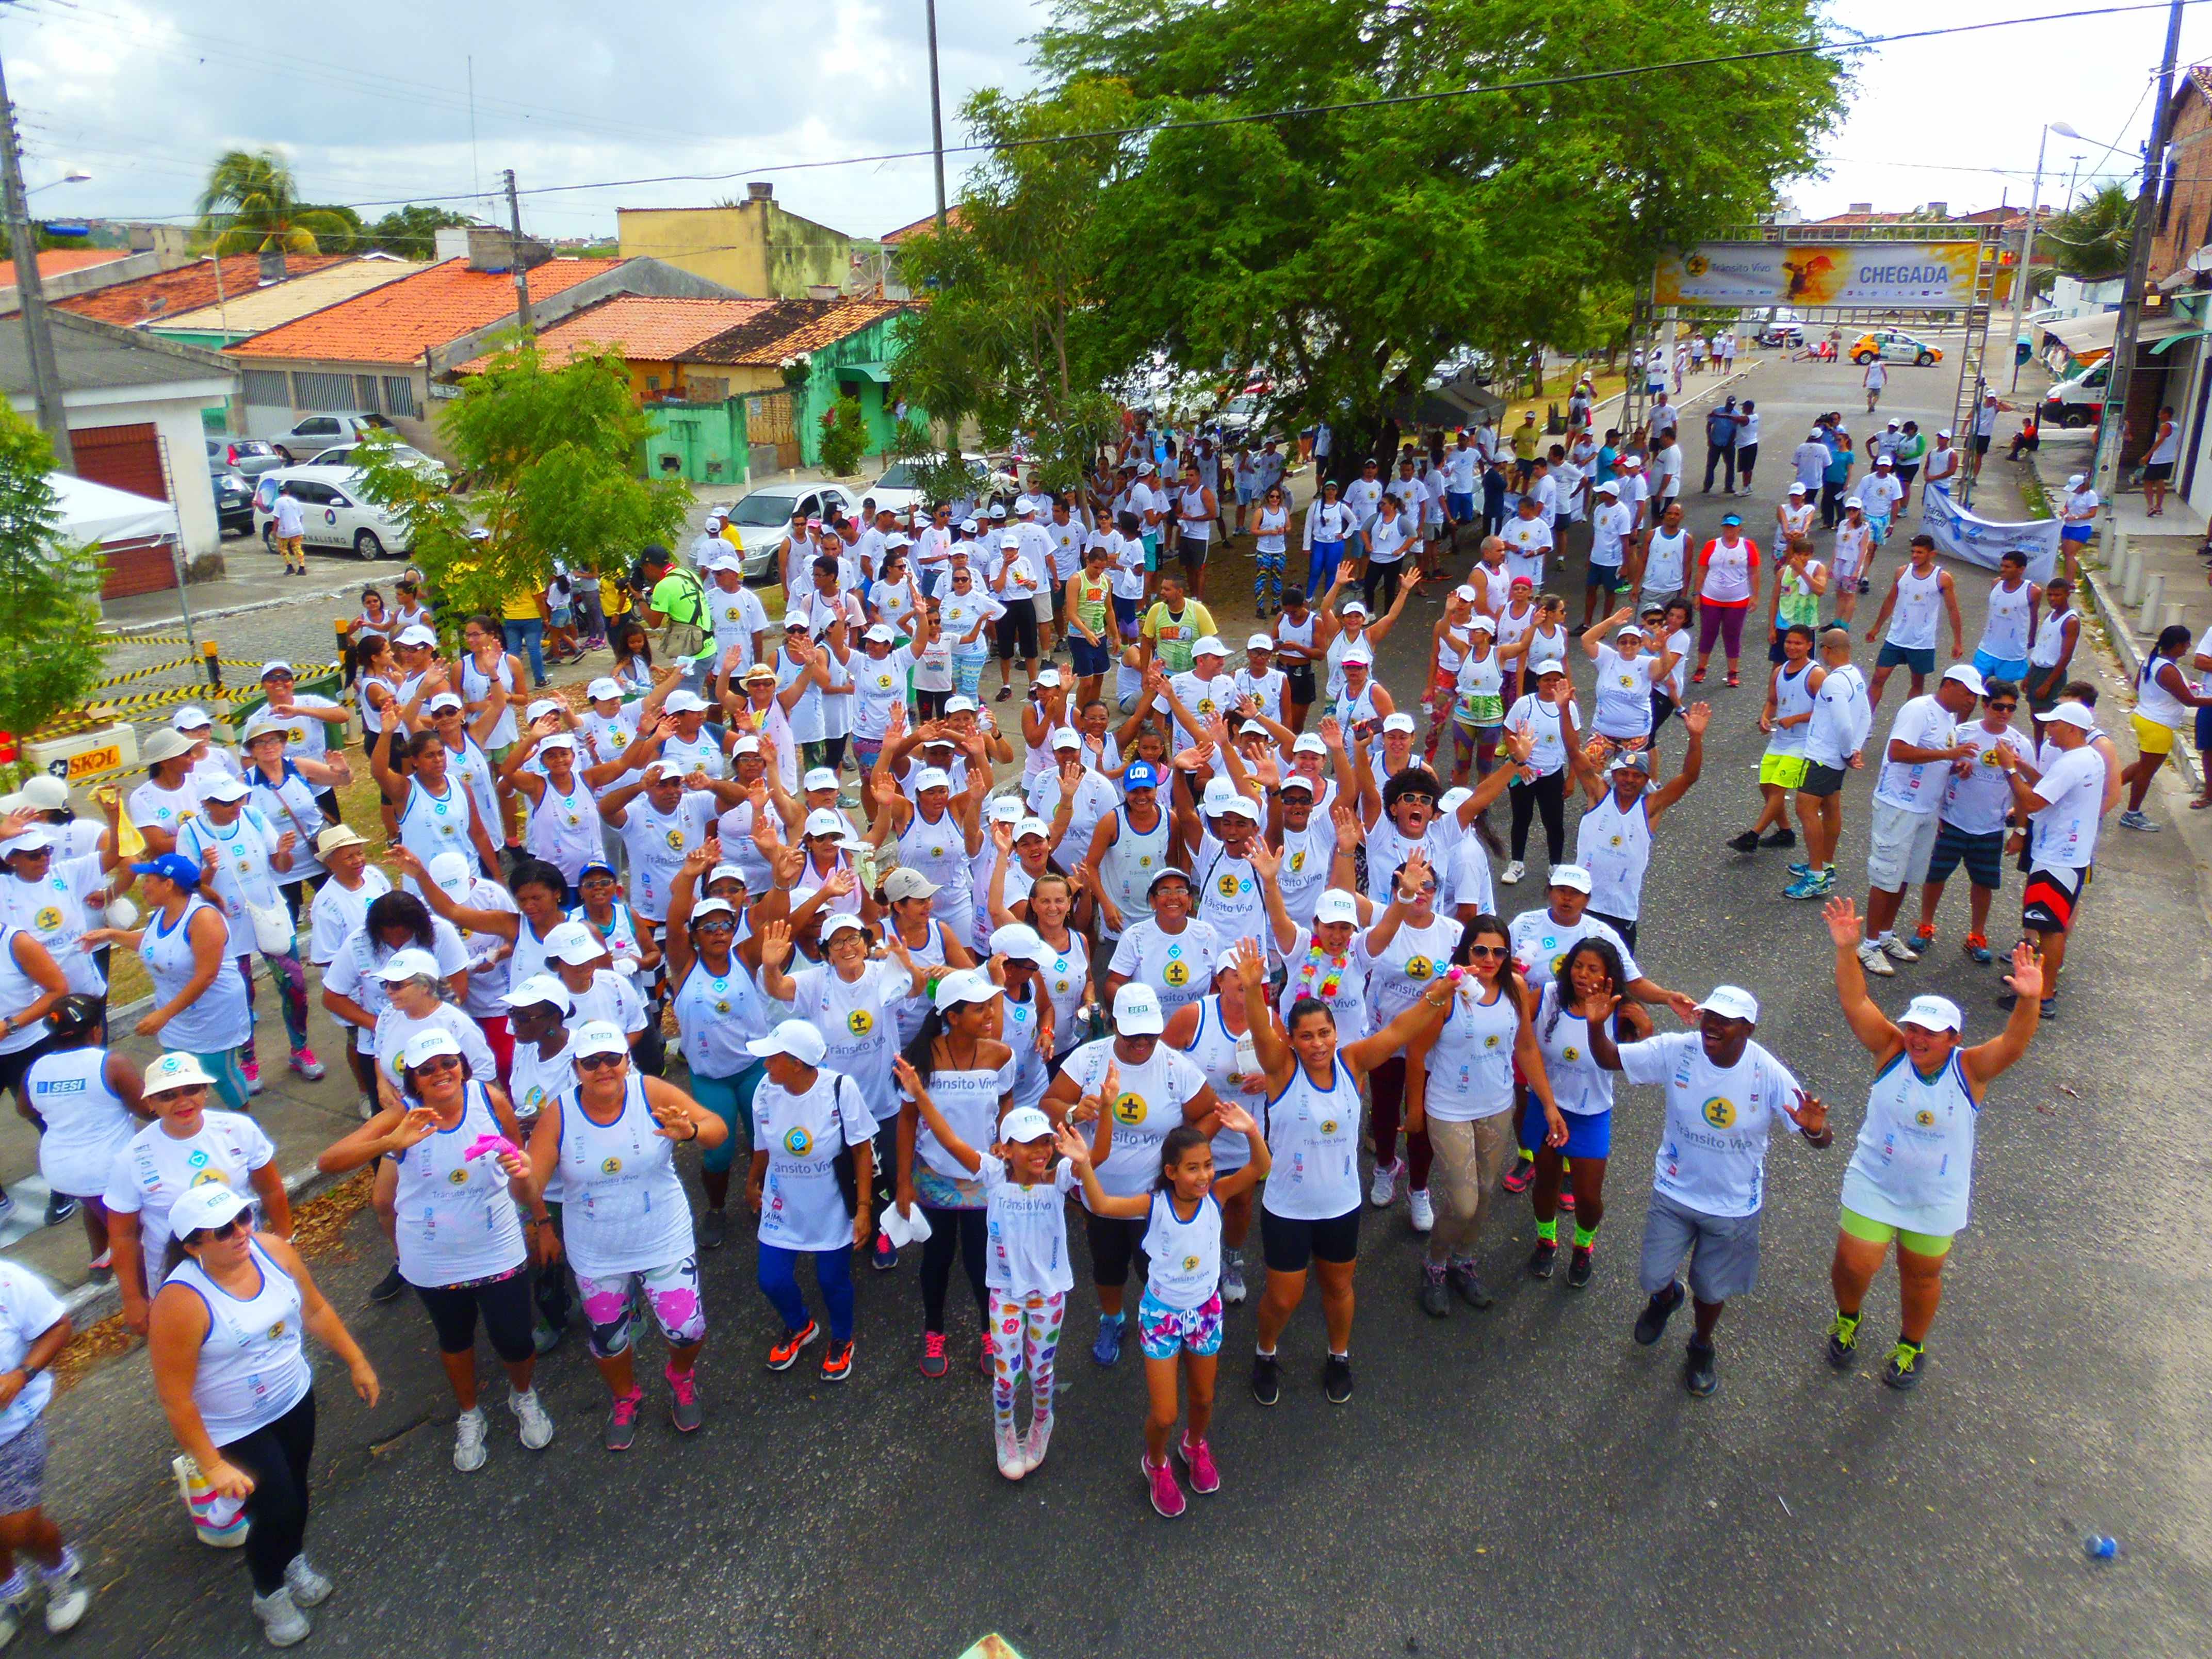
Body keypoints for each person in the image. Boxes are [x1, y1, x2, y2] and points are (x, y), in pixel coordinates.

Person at [1820, 899, 2042, 1388]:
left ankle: (1910, 1345)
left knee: (1920, 1275)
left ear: (1954, 1038)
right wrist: (1846, 951)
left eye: (1931, 1033)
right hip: (1876, 1180)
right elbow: (1857, 1003)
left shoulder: (1970, 1069)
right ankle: (1848, 1318)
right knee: (1854, 1264)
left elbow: (2014, 1045)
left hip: (1935, 1195)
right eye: (1913, 1028)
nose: (1917, 1038)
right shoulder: (1890, 1050)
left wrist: (2029, 1000)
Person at [315, 1028, 555, 1471]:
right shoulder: (404, 1115)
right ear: (414, 1080)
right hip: (433, 1258)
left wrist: (540, 1219)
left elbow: (521, 1169)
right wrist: (392, 1144)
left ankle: (523, 1396)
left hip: (497, 1246)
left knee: (515, 1337)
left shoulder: (490, 1100)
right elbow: (328, 1162)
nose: (441, 1073)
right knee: (455, 1339)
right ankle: (470, 1414)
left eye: (448, 1063)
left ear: (462, 1065)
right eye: (427, 1070)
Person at [148, 1182, 377, 1647]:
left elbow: (315, 1309)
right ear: (193, 1246)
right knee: (276, 1508)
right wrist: (213, 1465)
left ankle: (291, 1557)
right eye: (223, 1230)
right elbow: (176, 1398)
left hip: (293, 1398)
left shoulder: (273, 1251)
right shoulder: (181, 1302)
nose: (240, 1232)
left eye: (244, 1217)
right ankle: (269, 1592)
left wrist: (356, 1360)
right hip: (237, 1427)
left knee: (296, 1489)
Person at [1583, 985, 1830, 1396]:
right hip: (1674, 1190)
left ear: (1748, 1029)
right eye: (1709, 1016)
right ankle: (1666, 1299)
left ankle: (1701, 1345)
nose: (1712, 1026)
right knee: (1652, 1276)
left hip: (1733, 1205)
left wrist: (1815, 1129)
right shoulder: (1678, 1051)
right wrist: (1595, 1027)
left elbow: (1820, 1138)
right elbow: (1610, 1058)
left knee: (1712, 1290)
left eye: (1725, 1021)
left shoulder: (1768, 1073)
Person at [520, 1020, 727, 1450]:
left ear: (627, 1060)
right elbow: (532, 1185)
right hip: (598, 1251)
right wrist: (519, 1178)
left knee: (687, 1329)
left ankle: (680, 1377)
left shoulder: (651, 1092)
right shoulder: (560, 1113)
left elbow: (717, 1130)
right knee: (610, 1340)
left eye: (612, 1058)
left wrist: (690, 1131)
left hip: (662, 1237)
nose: (603, 1069)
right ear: (576, 1068)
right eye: (591, 1061)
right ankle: (625, 1396)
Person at [1062, 1096, 1268, 1518]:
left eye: (1208, 1165)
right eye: (1193, 1168)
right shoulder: (1153, 1204)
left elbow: (1260, 1167)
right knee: (1164, 1414)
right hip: (1162, 1316)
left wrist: (1251, 1130)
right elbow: (1102, 1206)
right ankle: (1156, 1464)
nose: (1204, 1175)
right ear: (1171, 1172)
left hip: (1206, 1312)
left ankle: (1194, 1445)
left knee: (1204, 1399)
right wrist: (1084, 1164)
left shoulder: (1219, 1195)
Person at [1403, 914, 1558, 1312]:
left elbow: (1526, 1047)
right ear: (1465, 951)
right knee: (1463, 1203)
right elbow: (1416, 1052)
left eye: (1499, 951)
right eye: (1481, 950)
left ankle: (1463, 1261)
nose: (1490, 959)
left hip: (1496, 1105)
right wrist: (1415, 1110)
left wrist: (1548, 1104)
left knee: (1485, 1192)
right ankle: (1435, 1264)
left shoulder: (1516, 987)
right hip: (1449, 1108)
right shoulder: (1445, 993)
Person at [744, 1017, 873, 1385]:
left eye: (773, 1058)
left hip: (831, 1206)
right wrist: (752, 1182)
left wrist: (864, 1209)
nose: (766, 1065)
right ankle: (800, 1325)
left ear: (797, 1064)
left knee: (832, 1280)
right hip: (782, 1203)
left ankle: (842, 1339)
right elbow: (762, 1146)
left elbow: (861, 1150)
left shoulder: (839, 1089)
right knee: (771, 1279)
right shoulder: (764, 1091)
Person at [79, 854, 252, 1110]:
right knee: (178, 1078)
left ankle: (243, 1121)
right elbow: (153, 944)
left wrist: (164, 1015)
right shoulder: (162, 914)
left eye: (149, 880)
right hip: (176, 1018)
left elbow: (207, 975)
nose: (143, 886)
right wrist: (112, 935)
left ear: (169, 884)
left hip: (212, 1015)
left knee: (219, 1073)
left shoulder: (203, 919)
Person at [1856, 664, 1983, 978]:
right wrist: (1949, 755)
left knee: (1905, 876)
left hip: (1926, 808)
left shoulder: (1949, 718)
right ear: (1949, 685)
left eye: (1975, 697)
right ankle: (1869, 944)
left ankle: (1886, 935)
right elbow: (1897, 752)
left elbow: (1937, 758)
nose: (1971, 701)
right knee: (1886, 876)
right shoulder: (1918, 710)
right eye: (1968, 694)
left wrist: (1955, 767)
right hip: (1898, 805)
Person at [1993, 700, 2107, 1017]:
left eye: (2054, 724)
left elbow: (2032, 802)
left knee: (2049, 928)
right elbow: (2051, 785)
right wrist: (2024, 767)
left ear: (2071, 728)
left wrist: (2009, 768)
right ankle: (2043, 990)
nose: (2047, 729)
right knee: (2051, 925)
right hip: (2071, 855)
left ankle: (2043, 996)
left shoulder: (2072, 763)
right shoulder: (2087, 757)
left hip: (2057, 857)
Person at [1564, 708, 1709, 947]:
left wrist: (1695, 738)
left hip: (1621, 911)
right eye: (1624, 774)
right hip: (1583, 905)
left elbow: (1689, 777)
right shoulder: (1599, 795)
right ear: (1614, 775)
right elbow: (1573, 752)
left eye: (1636, 775)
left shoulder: (1651, 806)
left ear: (1646, 780)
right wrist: (1563, 710)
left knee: (1619, 969)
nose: (1629, 780)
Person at [0, 1249, 86, 1644]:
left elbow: (57, 1326)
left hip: (14, 1430)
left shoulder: (7, 1282)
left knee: (16, 1527)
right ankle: (10, 1589)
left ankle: (59, 1568)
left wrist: (21, 1375)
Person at [23, 995, 144, 1271]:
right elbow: (147, 1110)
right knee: (136, 1237)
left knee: (93, 1206)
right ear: (96, 1031)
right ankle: (135, 1277)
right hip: (107, 1171)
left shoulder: (35, 1069)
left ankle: (101, 1261)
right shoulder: (112, 1063)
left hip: (60, 1170)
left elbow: (26, 1110)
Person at [1911, 678, 2025, 963]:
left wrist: (2020, 831)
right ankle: (1925, 926)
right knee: (1935, 876)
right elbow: (1939, 770)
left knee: (1983, 884)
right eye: (1998, 706)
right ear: (1985, 705)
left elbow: (2025, 791)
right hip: (1952, 821)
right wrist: (1954, 772)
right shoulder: (1962, 733)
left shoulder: (2020, 744)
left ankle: (1977, 935)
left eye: (2011, 708)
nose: (2005, 713)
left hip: (1991, 828)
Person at [1786, 626, 1874, 901]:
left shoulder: (1833, 683)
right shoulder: (1855, 675)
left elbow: (1843, 723)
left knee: (1805, 809)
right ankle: (1825, 864)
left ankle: (1816, 877)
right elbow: (1866, 715)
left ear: (1826, 650)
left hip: (1823, 756)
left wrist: (1848, 752)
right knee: (1831, 805)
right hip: (1836, 758)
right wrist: (1855, 749)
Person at [1728, 624, 1821, 856]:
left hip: (1803, 742)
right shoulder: (1779, 672)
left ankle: (1753, 835)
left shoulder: (1816, 674)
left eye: (1798, 643)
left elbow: (1827, 711)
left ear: (1809, 646)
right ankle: (1785, 832)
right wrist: (1764, 718)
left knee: (1778, 787)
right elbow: (1772, 701)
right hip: (1780, 739)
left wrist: (1795, 719)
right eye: (1789, 642)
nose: (1792, 647)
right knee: (1766, 786)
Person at [2118, 625, 2207, 832]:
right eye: (2186, 644)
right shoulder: (2169, 670)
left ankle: (2105, 789)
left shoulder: (2152, 661)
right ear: (2176, 645)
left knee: (2143, 766)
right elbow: (2189, 701)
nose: (2188, 647)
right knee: (2146, 772)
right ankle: (2132, 813)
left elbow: (2139, 685)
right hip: (2158, 726)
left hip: (2143, 718)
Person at [1865, 535, 1964, 710]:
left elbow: (1953, 610)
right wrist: (1876, 627)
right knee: (1878, 678)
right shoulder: (1901, 573)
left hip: (1922, 642)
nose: (1915, 556)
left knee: (1917, 683)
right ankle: (1866, 719)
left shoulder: (1942, 578)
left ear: (1932, 554)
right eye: (1913, 552)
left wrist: (1958, 642)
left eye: (1920, 552)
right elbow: (1890, 601)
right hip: (1896, 637)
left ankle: (1910, 719)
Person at [1689, 515, 1761, 688]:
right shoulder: (1711, 546)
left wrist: (1755, 595)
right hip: (1711, 598)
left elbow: (1754, 572)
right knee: (1708, 633)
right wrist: (1697, 594)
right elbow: (1702, 570)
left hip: (1737, 600)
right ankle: (1701, 668)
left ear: (1740, 528)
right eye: (1727, 526)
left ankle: (1733, 671)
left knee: (1732, 635)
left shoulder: (1748, 546)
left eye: (1733, 527)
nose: (1730, 530)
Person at [2142, 404, 2180, 517]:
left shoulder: (2165, 426)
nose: (2159, 417)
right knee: (2160, 481)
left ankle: (2150, 506)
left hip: (2159, 459)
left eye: (2160, 414)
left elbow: (2160, 441)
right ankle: (2159, 506)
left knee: (2147, 481)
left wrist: (2148, 455)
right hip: (2170, 458)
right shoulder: (2176, 426)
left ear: (2166, 415)